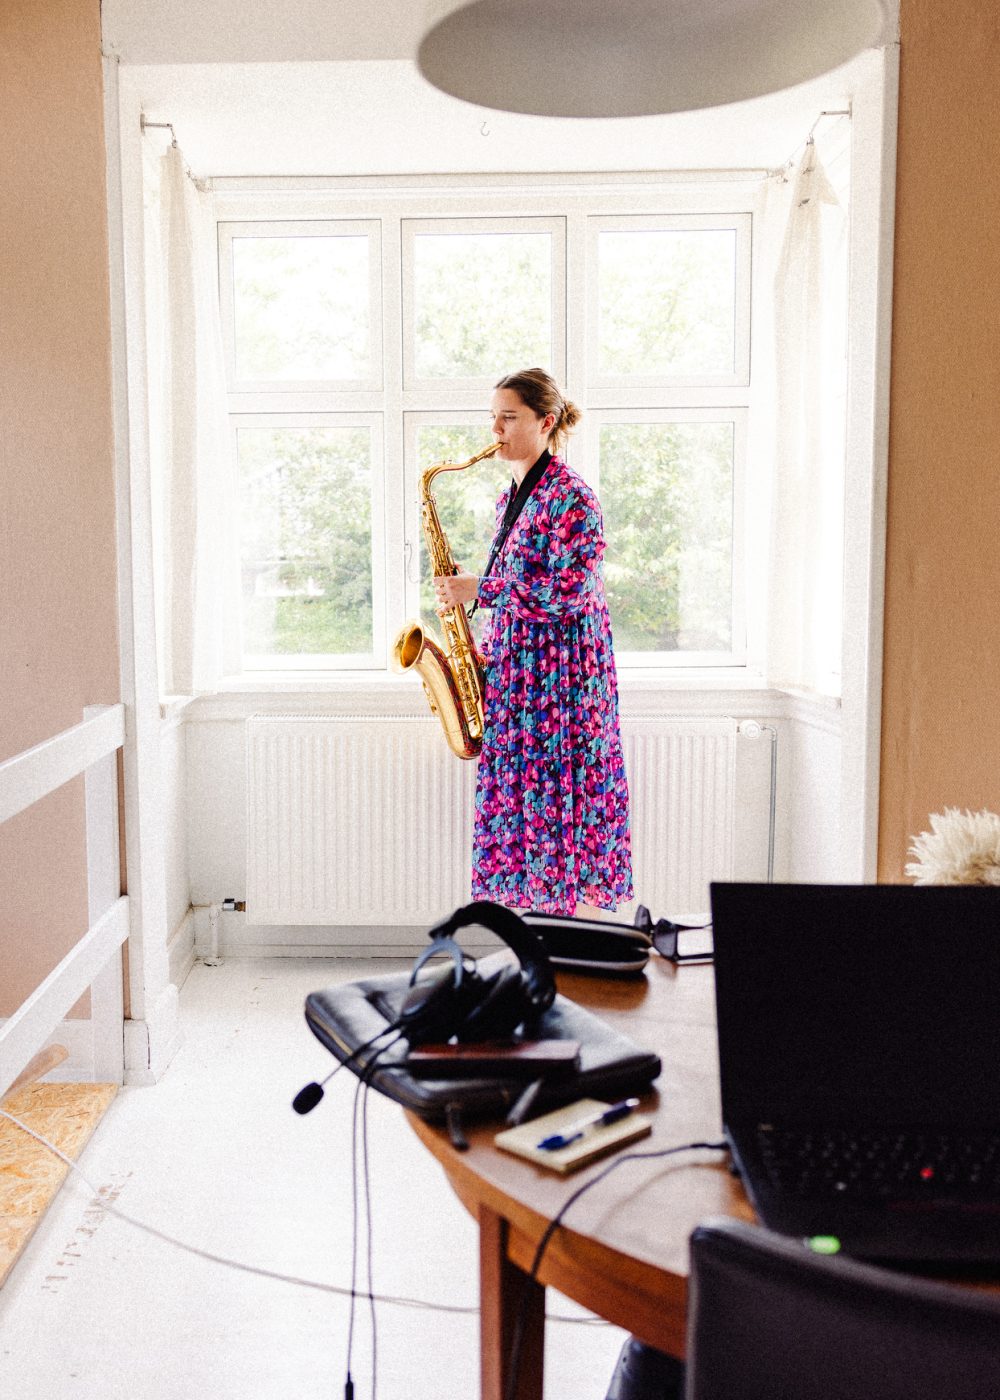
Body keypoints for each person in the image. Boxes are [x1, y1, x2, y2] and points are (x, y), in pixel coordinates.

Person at [434, 368, 633, 917]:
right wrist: (484, 646)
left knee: (561, 813)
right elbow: (521, 586)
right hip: (521, 677)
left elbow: (569, 593)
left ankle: (566, 940)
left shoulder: (574, 499)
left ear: (546, 422)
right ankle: (537, 936)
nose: (495, 429)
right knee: (524, 815)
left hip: (562, 685)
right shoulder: (512, 496)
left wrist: (481, 587)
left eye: (508, 417)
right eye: (492, 417)